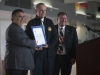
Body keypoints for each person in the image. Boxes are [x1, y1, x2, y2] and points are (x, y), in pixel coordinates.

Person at [25, 3, 58, 75]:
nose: (43, 12)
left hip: (48, 55)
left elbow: (56, 36)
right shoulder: (31, 23)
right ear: (35, 11)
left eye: (44, 10)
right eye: (41, 10)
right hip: (36, 55)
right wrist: (33, 46)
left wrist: (49, 45)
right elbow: (27, 38)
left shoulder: (50, 22)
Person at [4, 9, 35, 75]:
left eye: (23, 17)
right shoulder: (13, 29)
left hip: (21, 64)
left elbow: (24, 44)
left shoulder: (19, 29)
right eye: (20, 16)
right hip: (15, 65)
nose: (22, 19)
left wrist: (34, 47)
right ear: (13, 18)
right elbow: (23, 41)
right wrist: (34, 43)